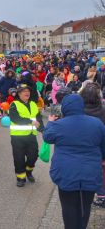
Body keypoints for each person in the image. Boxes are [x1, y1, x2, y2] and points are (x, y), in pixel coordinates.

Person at [43, 94, 105, 229]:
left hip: (66, 173)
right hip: (90, 172)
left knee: (69, 207)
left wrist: (51, 122)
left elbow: (47, 137)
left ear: (64, 107)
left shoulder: (58, 125)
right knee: (85, 206)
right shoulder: (97, 123)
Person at [8, 85, 44, 187]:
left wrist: (43, 130)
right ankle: (21, 178)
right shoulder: (14, 104)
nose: (26, 92)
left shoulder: (33, 104)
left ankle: (28, 171)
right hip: (17, 137)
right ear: (19, 94)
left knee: (33, 156)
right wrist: (30, 122)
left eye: (28, 91)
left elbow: (38, 119)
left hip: (31, 136)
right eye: (24, 91)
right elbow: (15, 119)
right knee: (19, 158)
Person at [78, 82, 105, 208]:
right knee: (101, 173)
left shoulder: (78, 111)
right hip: (99, 148)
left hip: (82, 149)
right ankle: (101, 195)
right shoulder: (103, 111)